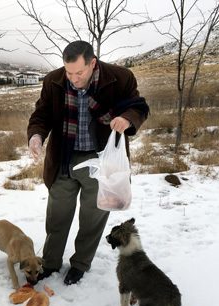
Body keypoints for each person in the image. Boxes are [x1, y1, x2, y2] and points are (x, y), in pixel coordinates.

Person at [27, 40, 149, 285]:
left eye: (79, 72)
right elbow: (42, 114)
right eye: (68, 72)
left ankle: (80, 264)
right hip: (63, 159)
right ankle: (50, 263)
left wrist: (127, 119)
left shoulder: (120, 78)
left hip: (100, 161)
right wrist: (36, 136)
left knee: (92, 218)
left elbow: (139, 107)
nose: (73, 78)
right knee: (57, 216)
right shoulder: (53, 81)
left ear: (93, 63)